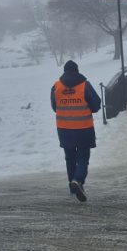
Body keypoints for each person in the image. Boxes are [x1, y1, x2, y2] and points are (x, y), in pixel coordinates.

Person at [50, 60, 102, 203]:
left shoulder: (56, 87)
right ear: (77, 70)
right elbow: (96, 104)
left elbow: (55, 107)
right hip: (84, 128)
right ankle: (78, 180)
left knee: (70, 157)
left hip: (64, 128)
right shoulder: (85, 85)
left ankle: (73, 186)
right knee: (83, 157)